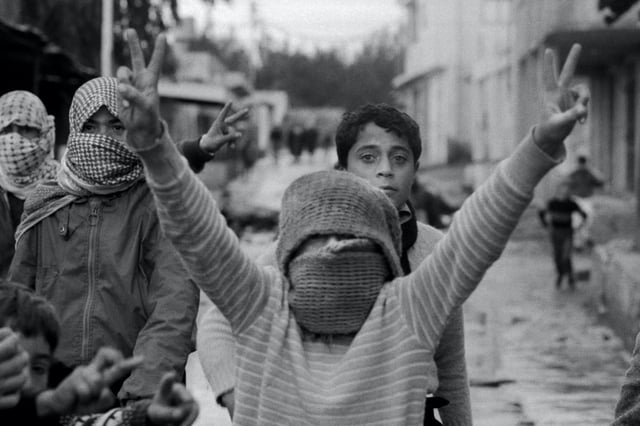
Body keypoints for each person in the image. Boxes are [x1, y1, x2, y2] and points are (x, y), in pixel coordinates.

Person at [117, 29, 588, 424]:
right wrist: (153, 147)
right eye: (323, 236)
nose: (335, 248)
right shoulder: (392, 307)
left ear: (383, 250)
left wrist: (154, 147)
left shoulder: (278, 303)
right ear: (289, 251)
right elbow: (198, 232)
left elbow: (476, 234)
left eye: (350, 237)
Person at [197, 103, 472, 424]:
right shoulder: (303, 246)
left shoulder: (434, 249)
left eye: (400, 158)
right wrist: (238, 398)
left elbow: (450, 363)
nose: (386, 169)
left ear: (416, 169)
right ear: (342, 171)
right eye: (368, 157)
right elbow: (217, 324)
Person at [8, 76, 199, 404]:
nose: (102, 138)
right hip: (55, 389)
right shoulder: (47, 202)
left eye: (116, 126)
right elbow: (18, 305)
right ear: (74, 130)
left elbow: (174, 305)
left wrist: (140, 397)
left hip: (131, 386)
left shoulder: (159, 203)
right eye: (90, 127)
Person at [0, 283, 199, 426]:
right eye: (9, 361)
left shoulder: (57, 411)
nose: (25, 380)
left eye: (38, 368)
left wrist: (147, 415)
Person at [0, 91, 59, 277]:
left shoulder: (66, 189)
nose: (14, 139)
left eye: (25, 129)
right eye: (5, 131)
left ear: (44, 132)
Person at [538, 181, 587, 290]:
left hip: (567, 232)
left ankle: (570, 277)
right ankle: (560, 275)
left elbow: (584, 214)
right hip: (555, 233)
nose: (564, 192)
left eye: (566, 190)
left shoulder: (571, 204)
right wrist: (545, 225)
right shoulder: (552, 203)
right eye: (562, 189)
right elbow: (541, 212)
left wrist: (579, 226)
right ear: (558, 191)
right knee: (557, 257)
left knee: (566, 256)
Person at [566, 154, 604, 249]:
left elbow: (600, 182)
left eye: (583, 163)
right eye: (581, 163)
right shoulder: (574, 173)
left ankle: (583, 240)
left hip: (587, 199)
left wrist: (592, 170)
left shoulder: (589, 173)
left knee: (586, 221)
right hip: (576, 199)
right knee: (576, 222)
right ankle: (576, 243)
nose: (582, 165)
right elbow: (566, 184)